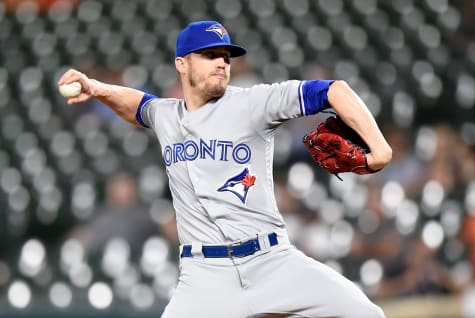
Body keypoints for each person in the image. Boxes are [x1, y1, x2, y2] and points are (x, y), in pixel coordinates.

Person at [58, 20, 392, 318]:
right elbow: (138, 106)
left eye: (226, 56)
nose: (221, 62)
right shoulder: (166, 115)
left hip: (272, 261)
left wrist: (380, 149)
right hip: (204, 277)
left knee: (366, 314)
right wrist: (97, 88)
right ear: (182, 64)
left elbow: (335, 90)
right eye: (209, 54)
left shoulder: (254, 103)